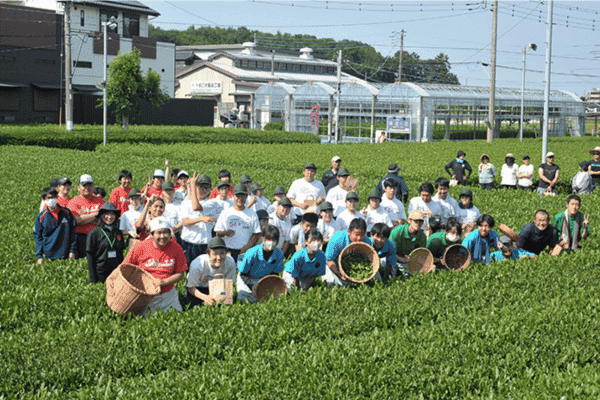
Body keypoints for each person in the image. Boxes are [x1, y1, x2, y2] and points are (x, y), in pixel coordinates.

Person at [123, 218, 188, 317]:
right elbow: (125, 267)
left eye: (165, 232)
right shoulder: (140, 247)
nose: (162, 236)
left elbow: (180, 274)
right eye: (159, 233)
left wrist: (164, 282)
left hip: (167, 294)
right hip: (144, 294)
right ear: (152, 234)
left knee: (174, 318)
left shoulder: (176, 248)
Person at [237, 225, 285, 303]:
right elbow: (243, 274)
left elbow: (275, 274)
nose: (271, 242)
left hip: (263, 279)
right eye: (268, 239)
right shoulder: (252, 253)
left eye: (274, 240)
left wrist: (268, 286)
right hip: (247, 278)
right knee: (245, 299)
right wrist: (252, 286)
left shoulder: (279, 253)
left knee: (268, 299)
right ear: (262, 238)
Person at [214, 183, 261, 263]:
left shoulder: (252, 213)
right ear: (233, 196)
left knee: (243, 274)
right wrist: (225, 232)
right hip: (228, 250)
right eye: (238, 196)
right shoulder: (226, 213)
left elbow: (256, 233)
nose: (240, 199)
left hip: (245, 251)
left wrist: (248, 246)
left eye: (243, 196)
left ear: (246, 197)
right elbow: (217, 233)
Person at [186, 236, 237, 308]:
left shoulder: (230, 262)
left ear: (226, 253)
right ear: (208, 254)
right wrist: (205, 297)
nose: (219, 257)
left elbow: (229, 284)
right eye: (215, 254)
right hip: (198, 287)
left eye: (222, 253)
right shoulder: (198, 265)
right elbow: (191, 287)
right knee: (194, 308)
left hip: (219, 286)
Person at [180, 174, 218, 265]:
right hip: (188, 242)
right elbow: (185, 222)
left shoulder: (212, 203)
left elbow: (196, 206)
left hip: (204, 244)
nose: (204, 190)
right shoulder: (185, 203)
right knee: (188, 272)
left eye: (207, 187)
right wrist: (201, 219)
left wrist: (192, 185)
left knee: (204, 271)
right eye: (201, 186)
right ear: (196, 187)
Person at [34, 187, 77, 265]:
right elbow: (37, 236)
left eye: (53, 197)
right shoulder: (41, 217)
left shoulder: (67, 213)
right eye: (49, 198)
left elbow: (73, 232)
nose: (51, 200)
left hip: (66, 254)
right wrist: (39, 256)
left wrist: (72, 251)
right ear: (44, 200)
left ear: (57, 197)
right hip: (49, 255)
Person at [324, 218, 373, 286]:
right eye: (356, 234)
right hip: (335, 266)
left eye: (362, 234)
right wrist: (338, 273)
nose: (359, 238)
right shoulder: (337, 239)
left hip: (354, 266)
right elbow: (329, 260)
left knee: (375, 280)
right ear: (349, 232)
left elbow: (369, 259)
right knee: (332, 282)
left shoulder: (367, 242)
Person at [86, 202, 126, 283]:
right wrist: (92, 278)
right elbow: (90, 256)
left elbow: (121, 254)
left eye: (112, 214)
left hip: (116, 272)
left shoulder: (118, 232)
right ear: (101, 215)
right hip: (101, 272)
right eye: (106, 214)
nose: (109, 217)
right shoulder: (94, 233)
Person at [68, 174, 105, 259]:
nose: (87, 188)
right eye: (84, 185)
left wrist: (84, 216)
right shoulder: (73, 202)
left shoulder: (101, 201)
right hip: (80, 238)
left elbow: (104, 221)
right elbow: (77, 221)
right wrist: (97, 214)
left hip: (97, 238)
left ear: (93, 187)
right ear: (78, 187)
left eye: (89, 185)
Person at [389, 210, 427, 274]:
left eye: (421, 221)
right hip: (394, 259)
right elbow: (389, 251)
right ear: (409, 220)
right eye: (415, 221)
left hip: (409, 262)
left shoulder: (422, 236)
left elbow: (421, 253)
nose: (418, 223)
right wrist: (402, 259)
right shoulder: (397, 231)